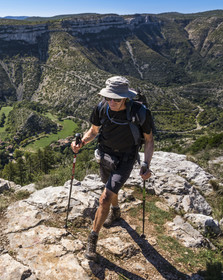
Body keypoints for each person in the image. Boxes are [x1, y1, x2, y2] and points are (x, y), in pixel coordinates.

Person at [71, 76, 154, 261]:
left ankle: (92, 238)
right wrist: (81, 142)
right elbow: (94, 131)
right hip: (105, 155)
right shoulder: (101, 108)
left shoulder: (140, 112)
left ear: (126, 97)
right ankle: (116, 211)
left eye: (117, 99)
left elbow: (149, 140)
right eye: (109, 98)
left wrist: (146, 164)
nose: (112, 102)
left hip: (126, 158)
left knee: (105, 197)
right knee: (109, 187)